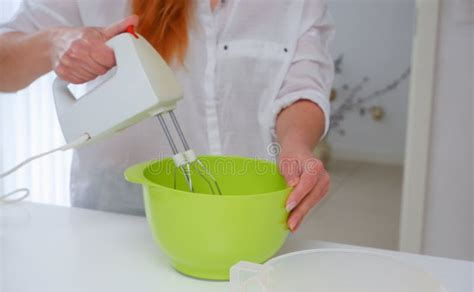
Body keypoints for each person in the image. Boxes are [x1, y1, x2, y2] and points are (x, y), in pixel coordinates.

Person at [0, 0, 334, 232]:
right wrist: (54, 43)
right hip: (119, 213)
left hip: (247, 211)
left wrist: (295, 145)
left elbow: (303, 83)